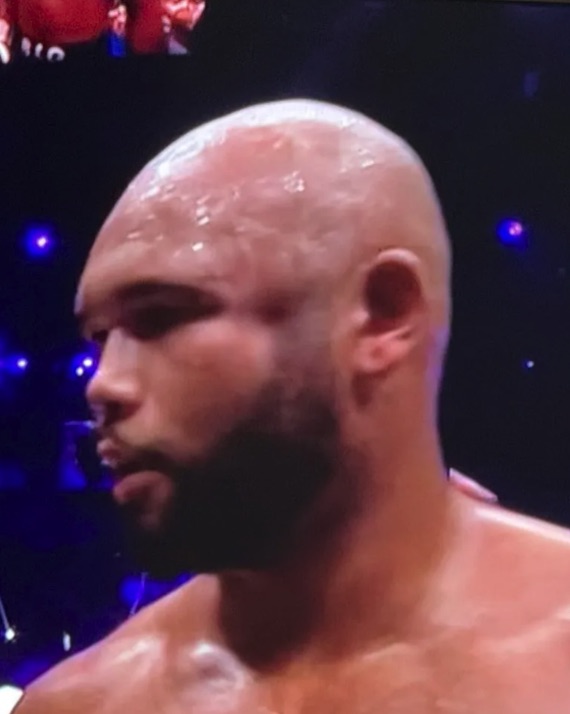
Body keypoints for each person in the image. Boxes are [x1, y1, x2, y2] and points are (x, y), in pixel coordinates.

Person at [16, 100, 570, 713]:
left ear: (383, 315)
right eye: (99, 338)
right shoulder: (82, 705)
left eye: (161, 316)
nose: (102, 385)